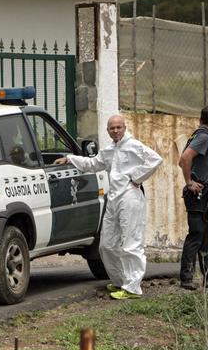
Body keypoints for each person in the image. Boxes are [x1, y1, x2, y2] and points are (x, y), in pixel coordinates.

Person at [56, 114, 163, 300]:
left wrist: (136, 178)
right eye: (112, 128)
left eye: (118, 127)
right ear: (107, 130)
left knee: (131, 244)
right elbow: (92, 164)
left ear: (124, 127)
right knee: (106, 245)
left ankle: (133, 288)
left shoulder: (133, 145)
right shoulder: (109, 150)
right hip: (113, 198)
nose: (115, 131)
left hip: (130, 198)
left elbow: (155, 159)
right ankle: (121, 280)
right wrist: (70, 158)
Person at [178, 104, 208, 290]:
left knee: (207, 236)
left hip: (207, 195)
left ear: (200, 119)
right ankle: (186, 278)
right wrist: (189, 182)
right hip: (199, 195)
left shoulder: (200, 134)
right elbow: (184, 158)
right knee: (197, 235)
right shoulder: (203, 136)